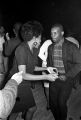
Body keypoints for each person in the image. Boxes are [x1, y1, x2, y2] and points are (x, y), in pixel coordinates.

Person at [9, 21, 58, 120]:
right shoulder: (21, 49)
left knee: (28, 109)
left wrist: (46, 68)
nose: (41, 40)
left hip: (24, 84)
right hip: (16, 84)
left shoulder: (34, 49)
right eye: (40, 37)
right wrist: (45, 76)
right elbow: (23, 74)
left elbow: (32, 67)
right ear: (34, 38)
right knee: (19, 111)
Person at [47, 23, 81, 120]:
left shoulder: (71, 47)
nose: (52, 36)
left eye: (55, 33)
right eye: (51, 33)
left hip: (67, 80)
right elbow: (50, 63)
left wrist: (67, 75)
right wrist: (49, 72)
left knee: (61, 103)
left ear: (62, 33)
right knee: (53, 103)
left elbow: (79, 64)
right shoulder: (50, 47)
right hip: (54, 79)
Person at [38, 39, 52, 109]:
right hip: (46, 67)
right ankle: (49, 103)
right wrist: (48, 60)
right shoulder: (48, 42)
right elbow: (40, 53)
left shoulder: (63, 42)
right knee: (47, 86)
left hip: (58, 67)